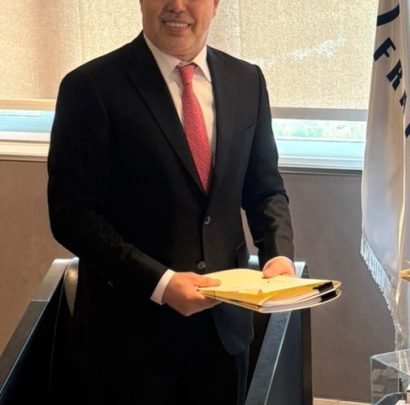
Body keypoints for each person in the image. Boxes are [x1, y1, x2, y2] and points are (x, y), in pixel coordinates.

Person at [47, 0, 294, 403]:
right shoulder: (90, 87)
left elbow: (264, 187)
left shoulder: (247, 80)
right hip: (128, 341)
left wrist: (278, 254)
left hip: (223, 336)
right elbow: (72, 215)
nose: (177, 6)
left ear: (215, 5)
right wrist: (160, 284)